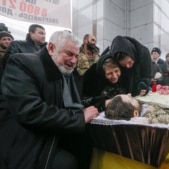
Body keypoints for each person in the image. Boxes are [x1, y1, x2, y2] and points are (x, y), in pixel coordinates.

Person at [0, 30, 99, 169]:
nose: (74, 61)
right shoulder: (22, 63)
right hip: (25, 144)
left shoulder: (65, 74)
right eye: (69, 54)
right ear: (52, 48)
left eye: (76, 56)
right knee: (67, 163)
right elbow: (31, 111)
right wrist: (79, 119)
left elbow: (72, 105)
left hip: (52, 135)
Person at [105, 94, 169, 124]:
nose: (130, 94)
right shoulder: (152, 119)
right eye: (131, 99)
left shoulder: (139, 108)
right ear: (135, 114)